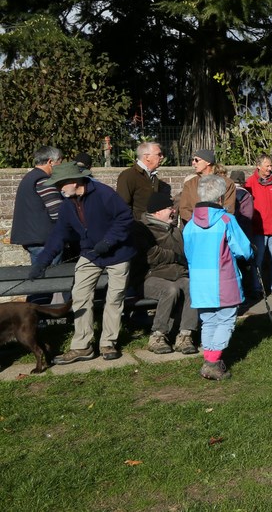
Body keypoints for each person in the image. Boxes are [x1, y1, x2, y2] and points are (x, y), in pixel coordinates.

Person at [29, 163, 136, 364]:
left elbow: (125, 218)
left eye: (60, 184)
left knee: (114, 298)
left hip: (118, 253)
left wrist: (108, 241)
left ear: (74, 181)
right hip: (90, 254)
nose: (57, 188)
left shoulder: (104, 194)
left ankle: (108, 343)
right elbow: (58, 234)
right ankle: (82, 346)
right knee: (80, 296)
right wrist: (42, 263)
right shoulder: (67, 204)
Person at [183, 174, 254, 380]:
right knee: (226, 320)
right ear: (220, 198)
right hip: (223, 279)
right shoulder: (225, 219)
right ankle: (213, 362)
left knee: (208, 321)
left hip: (199, 279)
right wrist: (251, 252)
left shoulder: (190, 224)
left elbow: (187, 252)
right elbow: (242, 249)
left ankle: (209, 359)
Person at [132, 191, 198, 355]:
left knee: (193, 286)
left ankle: (185, 335)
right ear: (158, 211)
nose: (174, 211)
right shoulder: (142, 229)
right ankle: (158, 336)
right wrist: (175, 257)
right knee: (170, 290)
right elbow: (151, 255)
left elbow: (185, 254)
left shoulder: (175, 230)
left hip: (178, 275)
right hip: (150, 277)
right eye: (170, 208)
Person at [11, 146, 65, 280]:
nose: (61, 165)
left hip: (34, 238)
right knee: (48, 281)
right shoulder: (43, 180)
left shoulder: (30, 177)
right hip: (45, 239)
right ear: (50, 162)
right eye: (60, 161)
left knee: (39, 279)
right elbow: (57, 212)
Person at [245, 154, 272, 298]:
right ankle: (257, 288)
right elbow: (247, 206)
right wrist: (254, 222)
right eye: (267, 166)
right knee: (257, 261)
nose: (270, 168)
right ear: (258, 166)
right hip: (259, 230)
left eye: (271, 165)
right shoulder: (250, 183)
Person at [178, 149, 236, 224]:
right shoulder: (190, 184)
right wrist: (197, 224)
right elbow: (184, 209)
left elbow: (229, 209)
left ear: (208, 162)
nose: (193, 163)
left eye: (196, 160)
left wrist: (214, 225)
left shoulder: (226, 183)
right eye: (193, 160)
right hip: (195, 228)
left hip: (219, 228)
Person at [116, 141, 169, 220]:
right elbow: (122, 205)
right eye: (159, 154)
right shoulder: (128, 175)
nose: (162, 157)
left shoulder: (153, 177)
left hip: (152, 227)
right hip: (137, 227)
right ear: (147, 157)